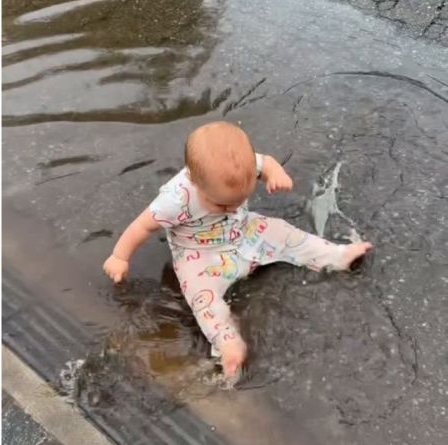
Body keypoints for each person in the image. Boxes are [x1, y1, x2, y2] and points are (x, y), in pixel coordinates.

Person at [102, 122, 372, 378]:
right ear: (195, 183)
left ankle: (337, 256)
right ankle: (228, 342)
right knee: (203, 299)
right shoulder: (175, 199)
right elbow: (142, 227)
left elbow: (264, 162)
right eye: (221, 205)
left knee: (283, 232)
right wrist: (119, 256)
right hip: (199, 255)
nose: (231, 208)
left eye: (239, 200)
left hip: (243, 231)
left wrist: (275, 173)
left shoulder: (237, 166)